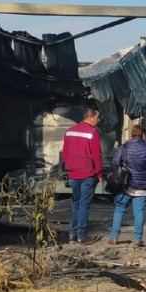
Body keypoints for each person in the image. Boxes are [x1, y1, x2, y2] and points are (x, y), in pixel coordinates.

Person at [107, 124, 146, 247]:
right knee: (139, 211)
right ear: (143, 135)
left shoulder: (123, 147)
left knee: (120, 209)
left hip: (125, 185)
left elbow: (114, 164)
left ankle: (114, 237)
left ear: (132, 134)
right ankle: (138, 240)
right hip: (142, 185)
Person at [62, 102, 103, 244]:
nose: (99, 120)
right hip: (88, 173)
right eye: (98, 117)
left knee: (75, 204)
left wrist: (69, 167)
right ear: (91, 117)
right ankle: (82, 236)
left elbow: (65, 153)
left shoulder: (69, 131)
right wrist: (99, 173)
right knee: (84, 205)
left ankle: (72, 234)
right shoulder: (93, 133)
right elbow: (97, 155)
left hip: (73, 173)